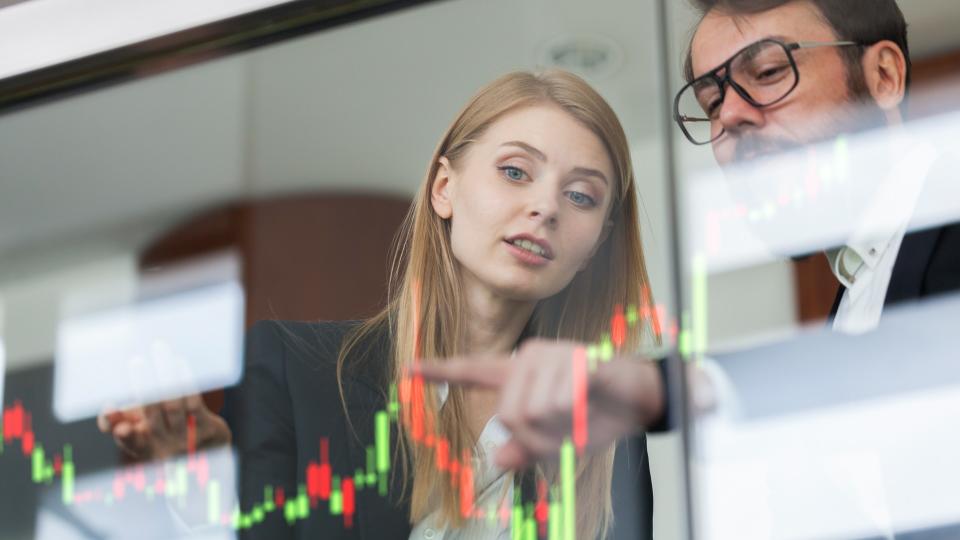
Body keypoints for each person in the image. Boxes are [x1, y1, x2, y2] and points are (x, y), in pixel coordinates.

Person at [100, 69, 661, 539]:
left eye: (581, 195)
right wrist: (205, 489)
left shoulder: (608, 431)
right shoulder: (298, 371)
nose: (545, 207)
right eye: (514, 171)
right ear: (445, 188)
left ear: (596, 245)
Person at [419, 0, 959, 468]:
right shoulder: (857, 291)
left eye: (770, 72)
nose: (731, 118)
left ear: (884, 76)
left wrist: (671, 389)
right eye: (711, 104)